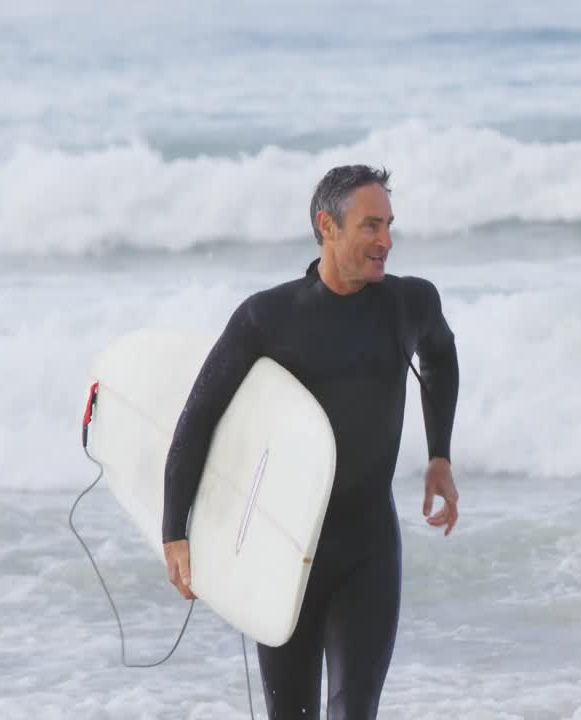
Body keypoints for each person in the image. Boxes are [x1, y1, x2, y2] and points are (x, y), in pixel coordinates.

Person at [160, 164, 460, 719]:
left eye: (390, 225)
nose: (386, 241)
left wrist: (439, 454)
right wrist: (174, 531)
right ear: (328, 225)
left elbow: (440, 356)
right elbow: (198, 418)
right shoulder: (267, 318)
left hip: (368, 547)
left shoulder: (409, 304)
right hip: (282, 550)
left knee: (354, 712)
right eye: (371, 226)